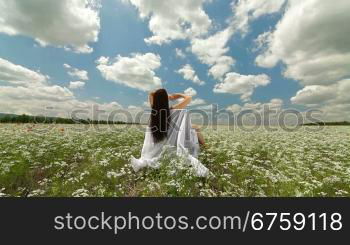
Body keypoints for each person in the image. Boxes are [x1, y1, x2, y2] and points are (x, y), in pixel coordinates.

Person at [130, 88, 209, 177]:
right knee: (197, 128)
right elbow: (188, 98)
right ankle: (206, 147)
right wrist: (177, 95)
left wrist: (162, 95)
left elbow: (150, 94)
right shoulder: (173, 110)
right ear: (166, 100)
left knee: (195, 127)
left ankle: (205, 147)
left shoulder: (154, 112)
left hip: (160, 143)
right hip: (169, 142)